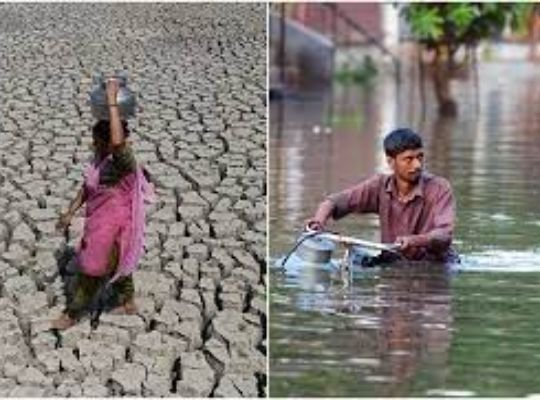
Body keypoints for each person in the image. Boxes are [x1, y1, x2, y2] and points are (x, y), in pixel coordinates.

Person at [52, 79, 152, 330]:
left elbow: (118, 142)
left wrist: (111, 100)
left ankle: (72, 314)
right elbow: (87, 188)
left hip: (114, 228)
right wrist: (70, 212)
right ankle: (127, 302)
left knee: (91, 269)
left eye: (98, 140)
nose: (93, 143)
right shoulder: (100, 160)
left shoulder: (123, 161)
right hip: (99, 224)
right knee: (118, 265)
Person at [306, 128, 458, 264]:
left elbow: (444, 236)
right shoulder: (379, 186)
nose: (417, 165)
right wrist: (318, 222)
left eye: (420, 157)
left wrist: (415, 241)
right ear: (391, 162)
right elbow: (332, 202)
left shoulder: (439, 188)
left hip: (434, 268)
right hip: (393, 264)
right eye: (409, 159)